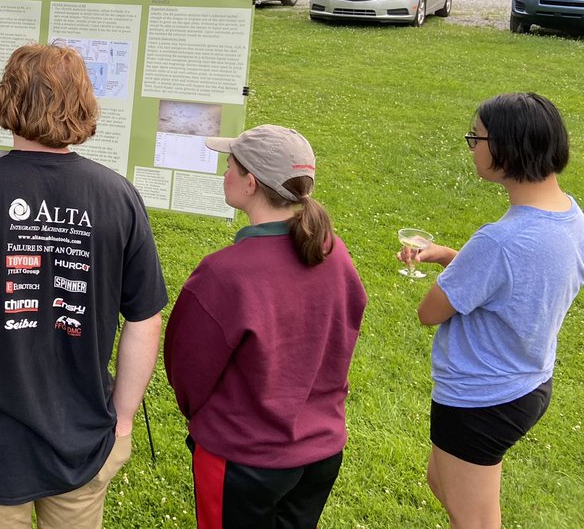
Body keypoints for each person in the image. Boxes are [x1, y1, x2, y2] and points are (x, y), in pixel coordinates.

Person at [0, 43, 167, 529]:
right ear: (83, 104)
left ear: (7, 100)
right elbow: (144, 318)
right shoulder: (118, 197)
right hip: (84, 437)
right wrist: (125, 418)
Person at [163, 124, 366, 529]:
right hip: (320, 454)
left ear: (251, 183)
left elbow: (186, 370)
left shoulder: (225, 274)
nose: (225, 174)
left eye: (230, 166)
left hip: (244, 461)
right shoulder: (333, 251)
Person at [400, 92, 584, 529]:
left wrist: (458, 268)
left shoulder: (497, 241)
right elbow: (519, 276)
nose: (472, 147)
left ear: (506, 147)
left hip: (481, 399)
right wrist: (450, 256)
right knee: (440, 479)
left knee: (476, 520)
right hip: (528, 381)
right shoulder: (571, 216)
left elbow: (430, 312)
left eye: (476, 137)